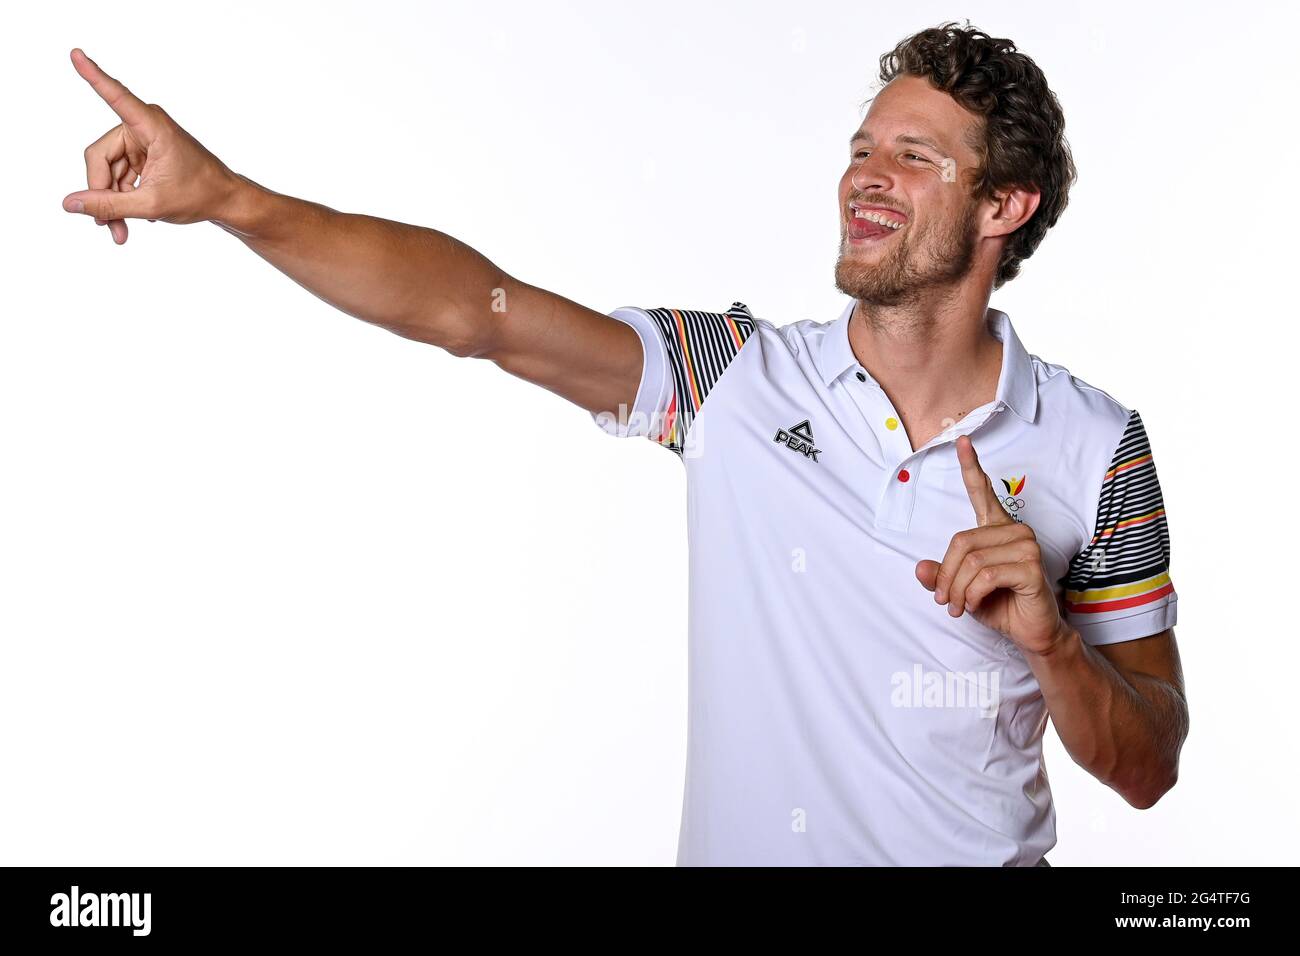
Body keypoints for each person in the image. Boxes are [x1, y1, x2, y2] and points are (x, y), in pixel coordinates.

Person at [61, 21, 1187, 866]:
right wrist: (227, 198)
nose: (863, 176)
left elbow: (1149, 764)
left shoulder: (1095, 445)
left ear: (1004, 207)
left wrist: (1051, 644)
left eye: (915, 156)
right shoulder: (734, 378)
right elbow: (475, 310)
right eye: (861, 148)